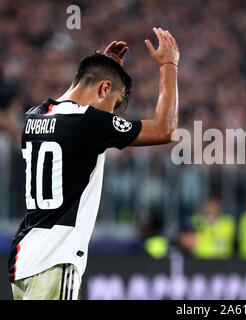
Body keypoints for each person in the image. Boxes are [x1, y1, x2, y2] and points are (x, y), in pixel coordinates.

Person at [7, 27, 180, 300]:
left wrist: (102, 67)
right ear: (104, 88)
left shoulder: (34, 116)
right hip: (56, 258)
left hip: (24, 261)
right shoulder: (88, 122)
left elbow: (75, 91)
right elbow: (165, 129)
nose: (113, 112)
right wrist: (169, 66)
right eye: (116, 103)